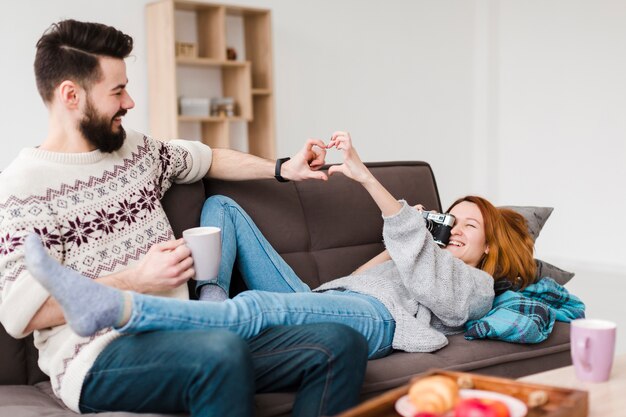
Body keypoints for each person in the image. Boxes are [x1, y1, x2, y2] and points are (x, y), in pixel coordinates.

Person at [0, 19, 369, 417]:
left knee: (339, 342)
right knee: (221, 353)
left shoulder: (136, 152)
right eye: (118, 90)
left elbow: (206, 157)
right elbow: (22, 315)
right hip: (98, 357)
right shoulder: (23, 187)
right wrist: (134, 279)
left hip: (188, 327)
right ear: (71, 95)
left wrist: (282, 168)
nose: (130, 102)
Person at [24, 131, 538, 361]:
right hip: (332, 298)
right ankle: (211, 303)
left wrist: (370, 185)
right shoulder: (424, 252)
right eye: (454, 219)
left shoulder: (477, 288)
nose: (458, 230)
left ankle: (122, 308)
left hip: (375, 323)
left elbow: (435, 294)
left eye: (471, 228)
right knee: (222, 211)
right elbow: (368, 274)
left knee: (257, 307)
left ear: (491, 251)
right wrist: (412, 239)